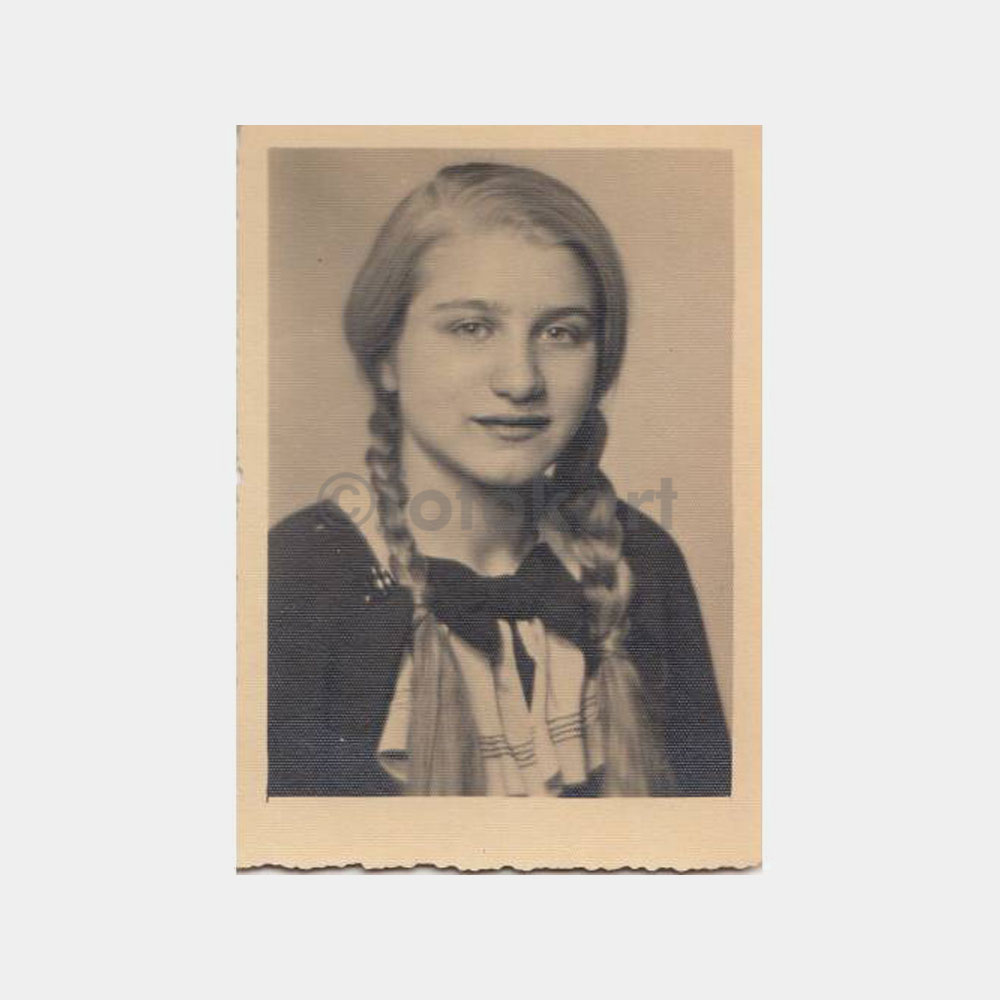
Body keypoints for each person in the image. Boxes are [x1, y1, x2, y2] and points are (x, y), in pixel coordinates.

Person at [268, 162, 731, 797]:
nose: (521, 380)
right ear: (386, 355)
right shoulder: (295, 577)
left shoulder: (641, 564)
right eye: (471, 328)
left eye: (561, 333)